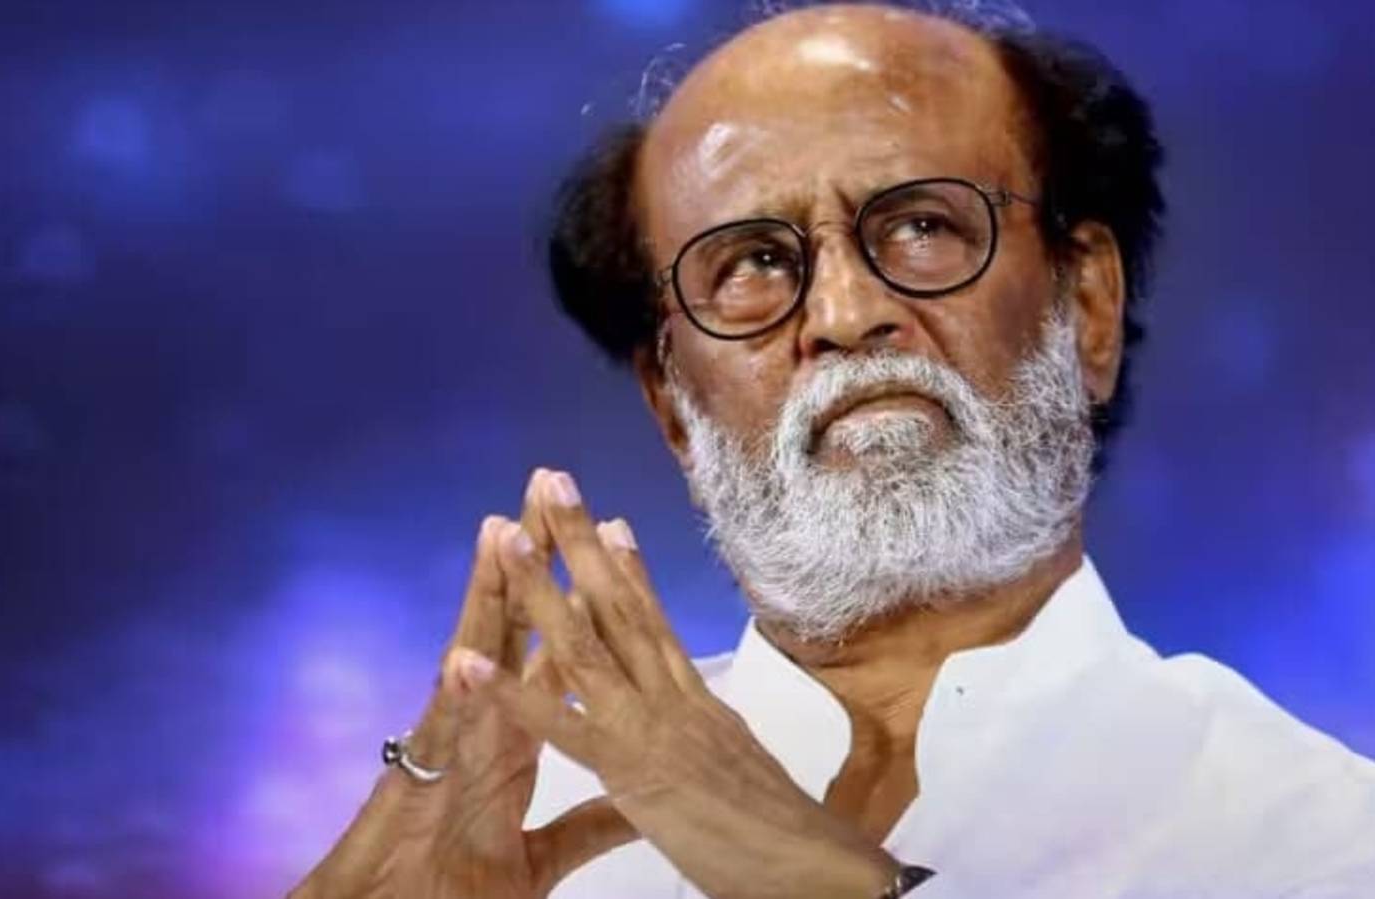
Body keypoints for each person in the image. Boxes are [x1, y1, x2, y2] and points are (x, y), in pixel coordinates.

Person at [291, 4, 1375, 897]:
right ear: (674, 405)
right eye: (753, 263)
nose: (848, 313)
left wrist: (811, 881)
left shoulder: (1308, 833)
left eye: (921, 226)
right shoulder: (523, 816)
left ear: (1084, 305)